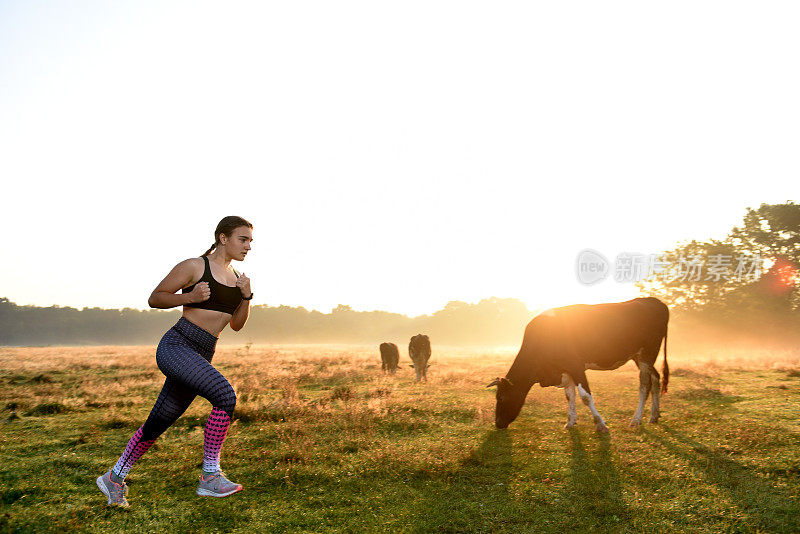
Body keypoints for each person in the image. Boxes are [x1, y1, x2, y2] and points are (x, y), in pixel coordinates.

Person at [96, 216, 254, 507]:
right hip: (178, 345)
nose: (248, 246)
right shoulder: (196, 266)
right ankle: (210, 476)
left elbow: (236, 326)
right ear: (223, 238)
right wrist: (191, 296)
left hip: (203, 352)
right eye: (243, 239)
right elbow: (155, 298)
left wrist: (246, 296)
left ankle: (114, 477)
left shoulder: (237, 278)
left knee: (159, 421)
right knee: (224, 395)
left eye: (250, 241)